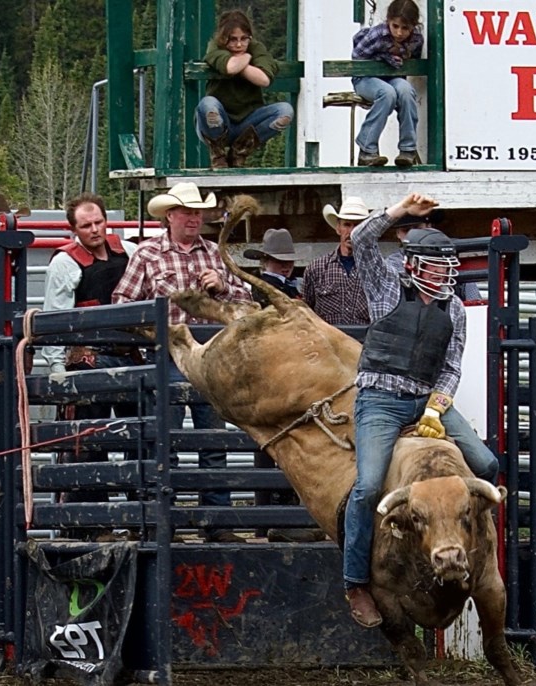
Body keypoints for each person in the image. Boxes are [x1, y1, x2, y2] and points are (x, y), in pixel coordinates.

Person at [342, 192, 499, 628]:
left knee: (486, 464)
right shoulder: (387, 285)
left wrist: (435, 407)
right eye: (436, 264)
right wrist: (398, 211)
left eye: (448, 265)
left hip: (427, 397)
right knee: (369, 486)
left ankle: (475, 556)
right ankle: (356, 580)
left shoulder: (455, 307)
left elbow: (451, 367)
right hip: (379, 398)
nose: (446, 273)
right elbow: (361, 239)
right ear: (413, 265)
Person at [113, 182, 253, 543]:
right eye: (187, 212)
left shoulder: (216, 254)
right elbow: (121, 303)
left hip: (211, 354)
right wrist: (151, 326)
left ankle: (217, 523)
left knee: (213, 442)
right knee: (166, 441)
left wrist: (222, 286)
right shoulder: (146, 254)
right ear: (170, 216)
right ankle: (166, 522)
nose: (194, 218)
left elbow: (247, 300)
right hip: (169, 354)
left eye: (198, 212)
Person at [42, 194, 140, 538]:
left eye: (98, 222)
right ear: (74, 229)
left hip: (129, 355)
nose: (95, 229)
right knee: (90, 442)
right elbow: (55, 317)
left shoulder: (128, 251)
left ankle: (139, 517)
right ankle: (94, 523)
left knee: (137, 438)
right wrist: (59, 373)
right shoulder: (64, 264)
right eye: (86, 225)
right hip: (87, 360)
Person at [243, 228, 325, 543]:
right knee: (276, 445)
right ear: (267, 260)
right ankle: (275, 519)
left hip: (280, 377)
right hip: (274, 377)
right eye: (279, 260)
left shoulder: (274, 290)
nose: (285, 265)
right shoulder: (265, 292)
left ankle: (274, 519)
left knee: (277, 446)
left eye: (286, 260)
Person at [196, 9, 294, 169]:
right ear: (223, 38)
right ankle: (218, 154)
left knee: (284, 111)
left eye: (244, 39)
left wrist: (243, 61)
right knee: (208, 104)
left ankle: (239, 152)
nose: (239, 44)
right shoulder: (215, 47)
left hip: (248, 121)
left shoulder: (257, 48)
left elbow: (264, 79)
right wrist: (247, 58)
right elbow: (230, 67)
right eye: (233, 40)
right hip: (220, 121)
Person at [351, 0, 424, 167]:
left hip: (392, 78)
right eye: (395, 26)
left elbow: (414, 60)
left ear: (413, 26)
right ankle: (367, 149)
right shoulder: (377, 36)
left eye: (405, 28)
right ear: (388, 21)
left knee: (405, 91)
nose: (399, 33)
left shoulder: (416, 41)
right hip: (366, 78)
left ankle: (408, 149)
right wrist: (385, 57)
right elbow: (357, 58)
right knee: (387, 93)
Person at [303, 197, 371, 326]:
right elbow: (307, 313)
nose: (352, 232)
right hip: (329, 342)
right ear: (338, 228)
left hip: (366, 341)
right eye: (347, 224)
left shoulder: (376, 269)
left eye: (358, 225)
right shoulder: (317, 268)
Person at [385, 212, 481, 301]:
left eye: (417, 228)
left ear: (429, 226)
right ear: (398, 234)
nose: (412, 234)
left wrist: (475, 305)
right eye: (406, 230)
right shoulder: (393, 263)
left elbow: (472, 295)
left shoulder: (449, 256)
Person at [244, 227, 301, 308]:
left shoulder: (286, 284)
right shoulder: (265, 287)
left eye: (290, 260)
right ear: (265, 262)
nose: (286, 265)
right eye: (279, 261)